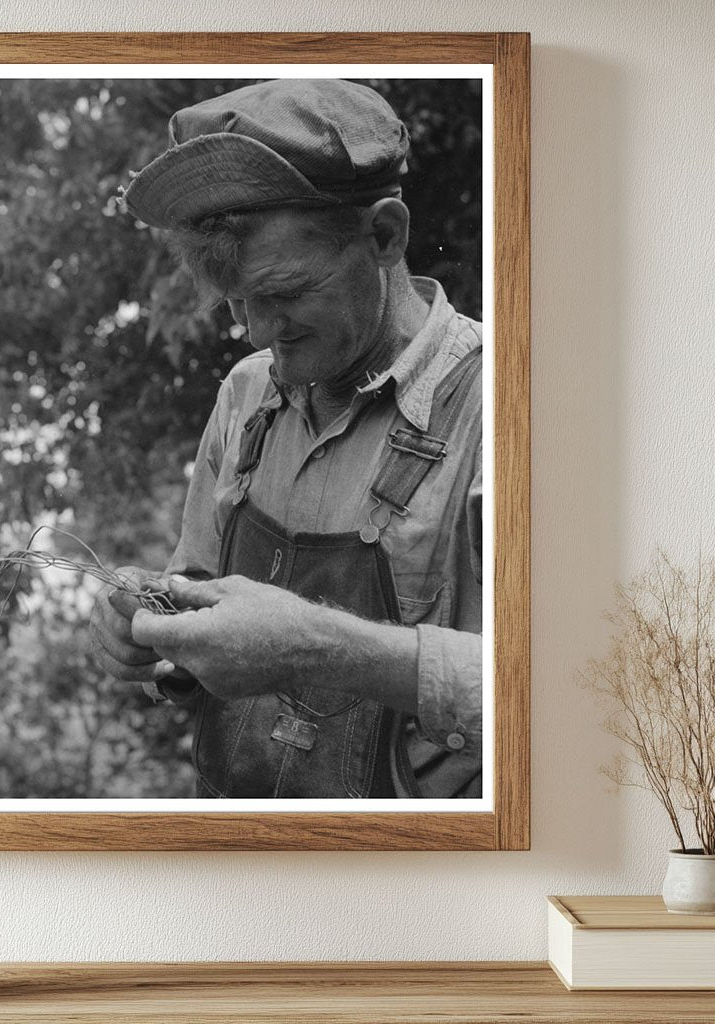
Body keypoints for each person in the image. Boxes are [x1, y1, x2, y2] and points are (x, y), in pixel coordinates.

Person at [90, 79, 483, 799]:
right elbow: (199, 587)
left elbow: (560, 700)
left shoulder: (504, 408)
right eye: (238, 303)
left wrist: (313, 648)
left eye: (285, 292)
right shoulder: (245, 394)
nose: (258, 333)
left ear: (385, 235)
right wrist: (159, 635)